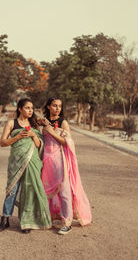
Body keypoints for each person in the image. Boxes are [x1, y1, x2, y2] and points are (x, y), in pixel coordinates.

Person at [0, 98, 51, 233]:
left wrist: (33, 135)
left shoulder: (34, 125)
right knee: (12, 191)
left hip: (32, 162)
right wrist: (18, 137)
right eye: (27, 108)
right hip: (16, 162)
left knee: (30, 190)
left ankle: (27, 221)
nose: (30, 110)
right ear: (20, 109)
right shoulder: (11, 123)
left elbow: (39, 145)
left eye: (32, 108)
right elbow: (2, 143)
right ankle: (5, 219)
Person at [40, 98, 92, 235]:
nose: (57, 108)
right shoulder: (44, 121)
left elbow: (66, 142)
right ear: (48, 106)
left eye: (59, 106)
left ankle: (66, 222)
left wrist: (51, 132)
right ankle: (50, 217)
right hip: (47, 160)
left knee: (64, 191)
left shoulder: (63, 122)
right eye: (54, 106)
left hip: (60, 160)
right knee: (47, 189)